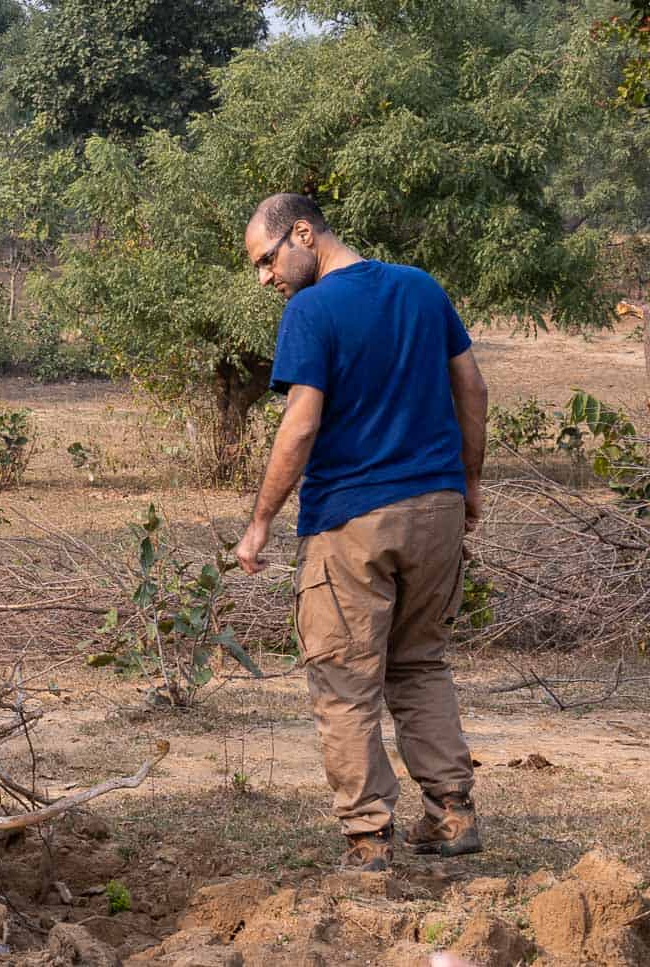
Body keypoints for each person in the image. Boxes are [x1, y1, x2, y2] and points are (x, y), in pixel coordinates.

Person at [235, 193, 488, 872]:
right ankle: (452, 813)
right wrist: (467, 483)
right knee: (420, 663)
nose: (266, 278)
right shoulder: (421, 287)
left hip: (352, 521)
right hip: (436, 507)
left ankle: (370, 837)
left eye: (267, 259)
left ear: (303, 232)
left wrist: (260, 521)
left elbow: (301, 422)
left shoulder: (311, 311)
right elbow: (472, 386)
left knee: (345, 678)